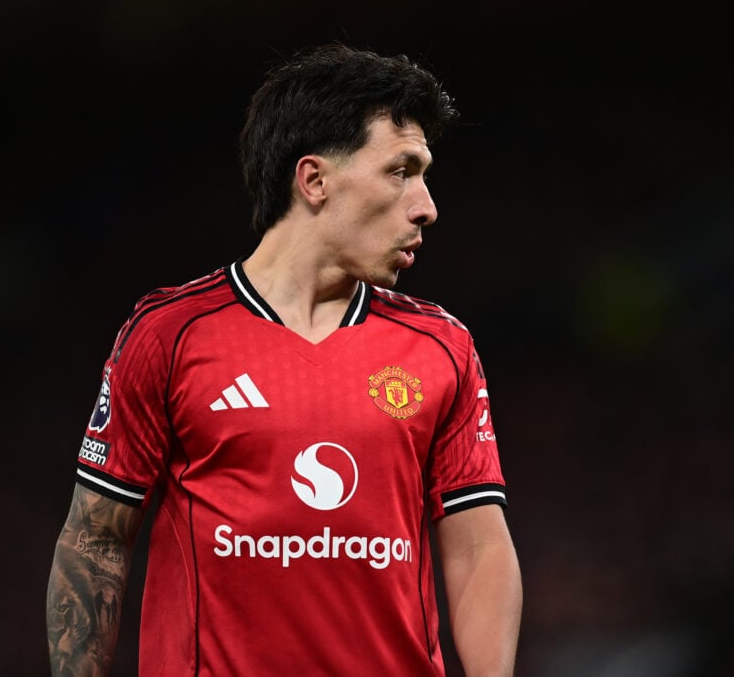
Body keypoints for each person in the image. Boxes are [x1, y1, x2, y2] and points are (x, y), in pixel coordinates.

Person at [46, 43, 522, 676]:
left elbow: (478, 550)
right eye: (402, 170)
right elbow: (96, 540)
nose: (426, 205)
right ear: (315, 180)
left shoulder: (442, 347)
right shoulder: (171, 334)